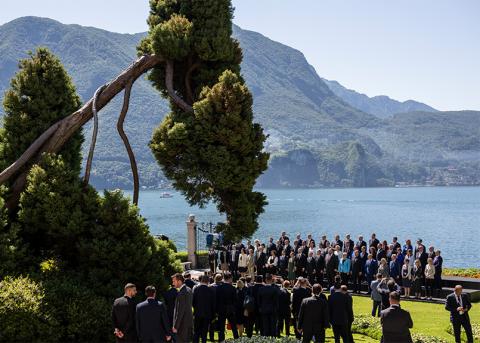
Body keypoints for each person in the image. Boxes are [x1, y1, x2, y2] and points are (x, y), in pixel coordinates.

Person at [192, 274, 215, 343]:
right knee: (204, 332)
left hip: (198, 313)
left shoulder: (196, 289)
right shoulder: (211, 290)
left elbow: (193, 301)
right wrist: (213, 314)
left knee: (196, 331)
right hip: (207, 314)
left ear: (201, 280)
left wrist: (195, 308)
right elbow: (213, 304)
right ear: (208, 281)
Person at [216, 272, 239, 341]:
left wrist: (217, 310)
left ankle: (221, 340)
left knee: (221, 327)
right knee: (233, 326)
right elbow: (235, 300)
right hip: (230, 309)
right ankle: (236, 339)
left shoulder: (219, 288)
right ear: (230, 278)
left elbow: (216, 300)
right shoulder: (233, 288)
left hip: (221, 309)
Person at [172, 273, 193, 343]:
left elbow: (180, 311)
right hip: (188, 323)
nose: (173, 283)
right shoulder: (189, 289)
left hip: (182, 326)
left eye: (174, 281)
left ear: (179, 281)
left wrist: (175, 326)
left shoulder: (182, 293)